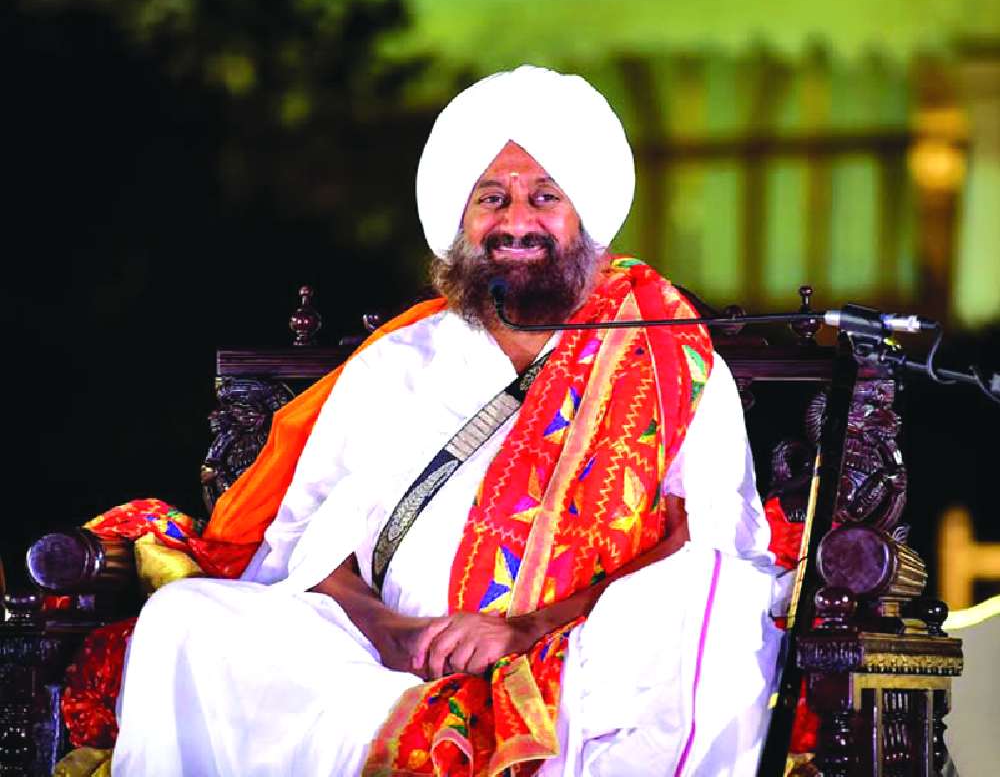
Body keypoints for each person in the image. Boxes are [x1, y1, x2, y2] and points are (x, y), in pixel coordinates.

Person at [112, 65, 784, 777]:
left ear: (583, 217)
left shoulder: (665, 357)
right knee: (187, 621)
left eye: (544, 197)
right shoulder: (399, 361)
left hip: (580, 658)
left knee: (715, 604)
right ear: (461, 222)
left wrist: (524, 630)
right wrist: (395, 633)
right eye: (492, 198)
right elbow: (312, 549)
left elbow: (700, 541)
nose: (516, 222)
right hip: (378, 665)